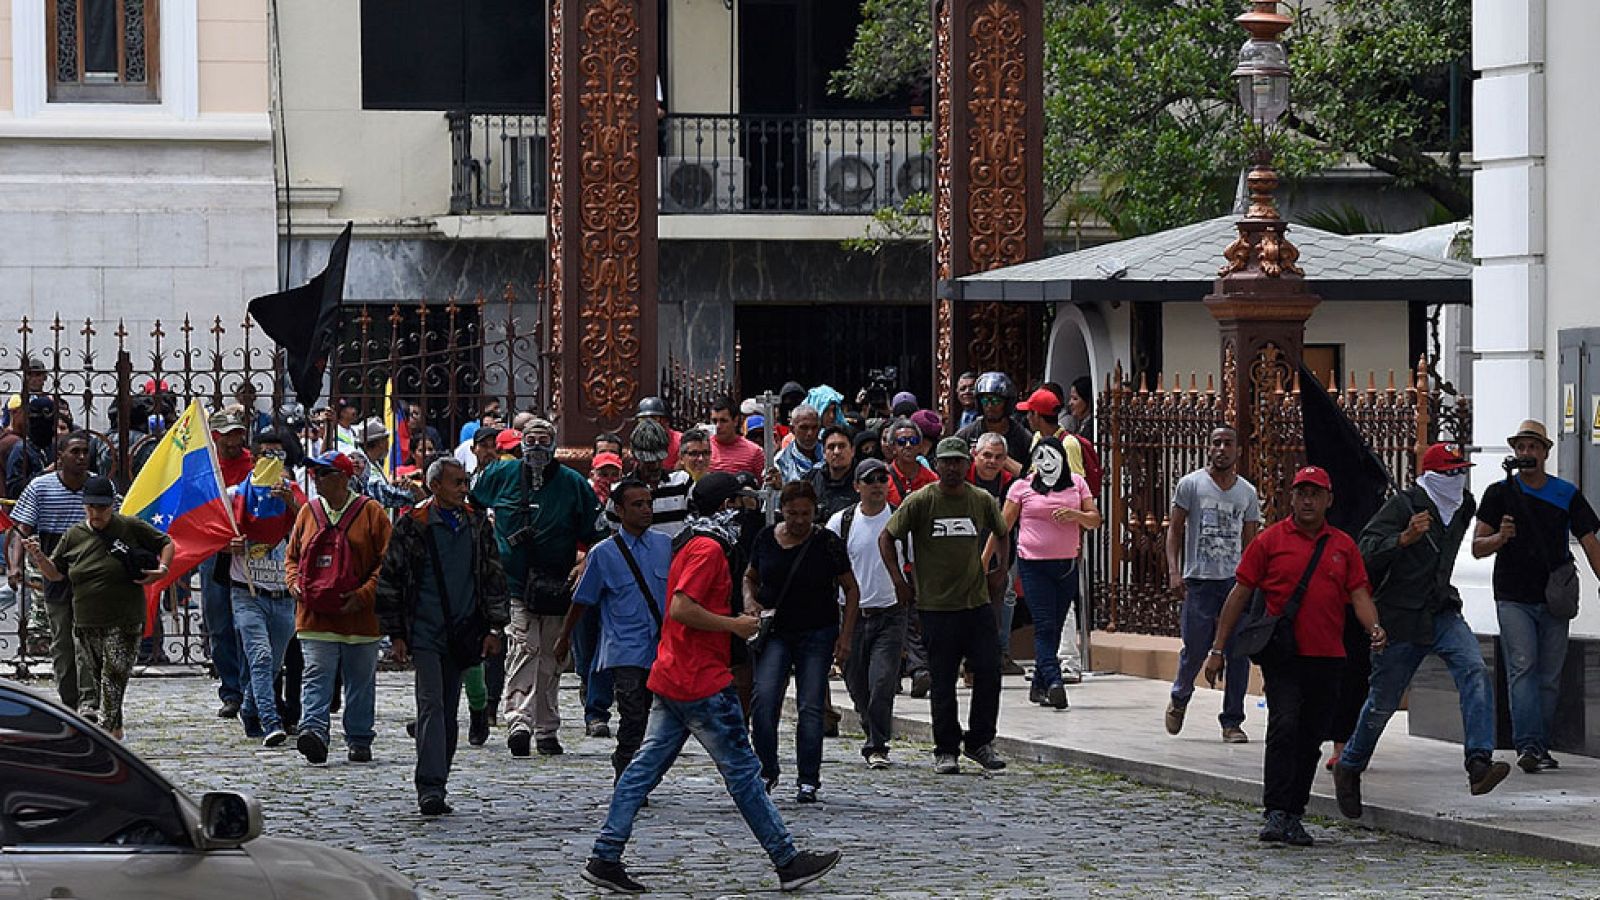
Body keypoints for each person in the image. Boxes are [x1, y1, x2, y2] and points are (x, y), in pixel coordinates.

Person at [580, 472, 841, 895]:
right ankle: (787, 859)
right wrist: (736, 625)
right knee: (743, 773)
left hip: (675, 673)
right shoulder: (707, 548)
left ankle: (605, 855)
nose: (749, 509)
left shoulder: (690, 542)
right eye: (742, 501)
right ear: (726, 506)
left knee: (643, 769)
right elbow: (683, 608)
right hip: (700, 679)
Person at [1204, 466, 1383, 847]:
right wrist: (1218, 649)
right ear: (1292, 497)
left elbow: (1359, 594)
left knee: (1310, 736)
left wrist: (1374, 629)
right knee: (1284, 726)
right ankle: (1276, 811)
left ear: (1327, 500)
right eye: (1301, 492)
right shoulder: (1270, 541)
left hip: (1329, 656)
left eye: (1315, 493)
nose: (1307, 500)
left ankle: (1295, 812)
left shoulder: (1342, 546)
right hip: (1284, 655)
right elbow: (1239, 594)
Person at [1332, 443, 1511, 819]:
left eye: (1460, 471)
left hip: (1441, 609)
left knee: (1475, 671)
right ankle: (1350, 765)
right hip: (1399, 616)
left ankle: (1478, 762)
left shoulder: (1464, 506)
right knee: (1382, 703)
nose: (1457, 478)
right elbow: (1362, 551)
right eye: (1449, 472)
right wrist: (1403, 539)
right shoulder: (1403, 507)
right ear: (1431, 476)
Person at [378, 457, 509, 815]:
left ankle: (439, 780)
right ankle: (430, 786)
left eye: (466, 482)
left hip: (463, 630)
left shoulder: (477, 524)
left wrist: (495, 627)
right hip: (424, 630)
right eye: (457, 483)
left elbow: (493, 577)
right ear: (435, 487)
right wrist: (396, 633)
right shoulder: (413, 526)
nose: (464, 489)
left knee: (448, 709)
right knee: (432, 704)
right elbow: (391, 579)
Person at [1473, 419, 1600, 774]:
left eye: (1533, 447)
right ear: (1515, 452)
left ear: (1545, 452)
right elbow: (1478, 547)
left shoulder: (1566, 493)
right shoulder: (1499, 493)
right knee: (1523, 667)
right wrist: (1500, 537)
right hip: (1513, 596)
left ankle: (1540, 745)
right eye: (1522, 447)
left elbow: (1589, 540)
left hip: (1554, 596)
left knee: (1549, 675)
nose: (1527, 453)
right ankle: (1528, 745)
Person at [472, 417, 604, 757]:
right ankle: (519, 720)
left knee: (552, 654)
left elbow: (595, 533)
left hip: (557, 583)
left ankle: (547, 727)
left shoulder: (573, 483)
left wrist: (582, 563)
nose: (536, 447)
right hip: (514, 582)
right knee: (523, 648)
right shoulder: (501, 476)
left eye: (543, 440)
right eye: (530, 440)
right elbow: (472, 506)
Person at [881, 436, 1010, 774]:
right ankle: (946, 747)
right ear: (936, 465)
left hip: (976, 601)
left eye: (958, 462)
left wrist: (1001, 571)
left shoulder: (980, 500)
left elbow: (1002, 531)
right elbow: (887, 536)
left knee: (988, 671)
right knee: (941, 680)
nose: (952, 468)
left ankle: (980, 740)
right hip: (936, 607)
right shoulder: (921, 501)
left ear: (967, 465)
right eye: (946, 462)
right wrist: (899, 581)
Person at [23, 475, 172, 739]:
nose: (96, 513)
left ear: (112, 506)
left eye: (101, 507)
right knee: (100, 677)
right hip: (87, 620)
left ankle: (103, 732)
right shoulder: (74, 535)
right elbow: (56, 573)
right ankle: (115, 729)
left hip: (124, 617)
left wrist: (162, 570)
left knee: (114, 672)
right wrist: (38, 557)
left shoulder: (129, 527)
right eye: (91, 507)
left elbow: (165, 542)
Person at [746, 481, 859, 803]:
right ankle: (767, 768)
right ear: (782, 510)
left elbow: (851, 588)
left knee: (811, 706)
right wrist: (750, 601)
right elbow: (750, 576)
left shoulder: (827, 542)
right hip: (776, 631)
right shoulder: (766, 539)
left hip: (817, 631)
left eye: (805, 514)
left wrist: (845, 635)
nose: (798, 521)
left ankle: (808, 778)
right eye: (792, 513)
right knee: (764, 700)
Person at [284, 450, 393, 766]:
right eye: (315, 473)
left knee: (360, 682)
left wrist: (364, 594)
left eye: (324, 473)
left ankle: (359, 739)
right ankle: (314, 732)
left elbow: (388, 562)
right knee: (316, 675)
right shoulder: (308, 511)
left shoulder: (372, 512)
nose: (317, 479)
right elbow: (292, 556)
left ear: (344, 478)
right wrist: (294, 583)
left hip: (360, 617)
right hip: (315, 614)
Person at [557, 478, 671, 780]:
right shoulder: (603, 553)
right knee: (633, 714)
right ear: (619, 511)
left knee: (653, 717)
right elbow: (582, 601)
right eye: (638, 505)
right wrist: (564, 638)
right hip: (624, 648)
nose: (646, 510)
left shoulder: (664, 546)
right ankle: (627, 772)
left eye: (648, 503)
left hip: (660, 647)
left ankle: (640, 769)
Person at [988, 437, 1101, 710]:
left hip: (1066, 565)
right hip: (1034, 564)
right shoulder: (1022, 488)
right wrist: (986, 559)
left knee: (1057, 624)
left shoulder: (1076, 483)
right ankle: (1053, 681)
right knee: (1044, 624)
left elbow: (1095, 518)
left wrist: (1076, 515)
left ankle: (1038, 683)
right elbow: (1003, 526)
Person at [1164, 426, 1260, 743]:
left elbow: (1250, 542)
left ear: (1238, 451)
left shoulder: (1246, 493)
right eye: (1216, 443)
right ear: (1209, 448)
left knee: (1238, 653)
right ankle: (1180, 696)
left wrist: (1252, 583)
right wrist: (1175, 570)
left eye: (1228, 443)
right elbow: (1175, 530)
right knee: (1195, 648)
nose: (1221, 449)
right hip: (1199, 581)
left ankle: (1232, 720)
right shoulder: (1191, 485)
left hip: (1234, 582)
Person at [227, 429, 306, 746]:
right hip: (248, 592)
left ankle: (249, 708)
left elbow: (312, 530)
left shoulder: (294, 492)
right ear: (254, 458)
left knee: (273, 664)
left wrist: (290, 503)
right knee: (259, 658)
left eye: (279, 455)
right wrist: (228, 545)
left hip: (283, 595)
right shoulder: (235, 495)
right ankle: (269, 721)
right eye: (266, 454)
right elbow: (214, 535)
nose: (272, 461)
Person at [828, 458, 906, 768]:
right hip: (852, 616)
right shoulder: (841, 522)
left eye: (882, 478)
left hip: (890, 613)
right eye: (869, 479)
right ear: (856, 486)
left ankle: (877, 745)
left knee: (883, 679)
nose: (877, 484)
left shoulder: (900, 520)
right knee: (857, 684)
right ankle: (870, 725)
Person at [7, 432, 93, 711]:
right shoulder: (41, 488)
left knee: (87, 637)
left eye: (85, 452)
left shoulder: (97, 486)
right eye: (75, 452)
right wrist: (15, 565)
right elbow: (21, 530)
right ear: (61, 457)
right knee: (63, 640)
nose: (81, 457)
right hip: (53, 563)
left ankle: (90, 701)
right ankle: (70, 702)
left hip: (90, 567)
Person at [203, 408, 254, 719]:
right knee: (219, 622)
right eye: (229, 434)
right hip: (214, 551)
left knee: (247, 624)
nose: (235, 440)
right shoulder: (203, 467)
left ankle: (252, 688)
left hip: (248, 550)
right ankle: (231, 690)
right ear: (215, 436)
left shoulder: (253, 465)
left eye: (239, 433)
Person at [968, 432, 1023, 676]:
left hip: (1001, 550)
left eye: (999, 457)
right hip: (965, 548)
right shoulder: (962, 478)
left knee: (1005, 597)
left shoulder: (1011, 483)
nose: (992, 461)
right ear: (975, 455)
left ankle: (1001, 652)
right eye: (987, 455)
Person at [620, 417, 692, 538]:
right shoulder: (621, 491)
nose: (655, 466)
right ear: (635, 457)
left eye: (659, 459)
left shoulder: (682, 482)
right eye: (649, 462)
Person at [955, 372, 1030, 474]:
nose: (990, 406)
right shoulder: (966, 434)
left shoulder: (1023, 437)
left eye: (996, 401)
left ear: (1007, 403)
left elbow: (1030, 474)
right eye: (985, 401)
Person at [355, 418, 425, 509]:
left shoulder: (372, 462)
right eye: (386, 439)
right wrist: (416, 494)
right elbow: (385, 494)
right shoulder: (363, 467)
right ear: (380, 443)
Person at [810, 426, 858, 524]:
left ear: (852, 451)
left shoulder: (864, 481)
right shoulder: (811, 480)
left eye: (842, 446)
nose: (836, 452)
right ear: (823, 452)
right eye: (831, 447)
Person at [709, 395, 766, 478]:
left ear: (735, 421)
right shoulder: (703, 450)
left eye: (723, 421)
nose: (718, 426)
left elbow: (762, 486)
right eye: (714, 421)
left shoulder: (754, 452)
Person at [883, 418, 937, 507]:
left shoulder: (932, 480)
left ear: (920, 446)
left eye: (913, 441)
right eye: (902, 442)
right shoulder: (884, 480)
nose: (908, 445)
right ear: (893, 448)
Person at [772, 404, 823, 484]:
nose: (810, 433)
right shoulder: (780, 462)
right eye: (804, 428)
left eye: (814, 427)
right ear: (792, 429)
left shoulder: (831, 454)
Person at [634, 396, 682, 471]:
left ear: (666, 420)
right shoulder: (636, 441)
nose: (649, 423)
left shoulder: (680, 442)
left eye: (654, 418)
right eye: (643, 419)